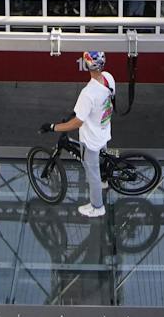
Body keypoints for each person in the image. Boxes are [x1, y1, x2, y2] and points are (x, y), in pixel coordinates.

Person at [40, 51, 117, 218]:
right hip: (104, 129)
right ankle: (105, 180)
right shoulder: (108, 77)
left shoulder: (88, 93)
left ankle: (97, 207)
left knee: (92, 173)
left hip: (92, 139)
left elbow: (77, 123)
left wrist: (53, 127)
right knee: (102, 160)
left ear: (88, 65)